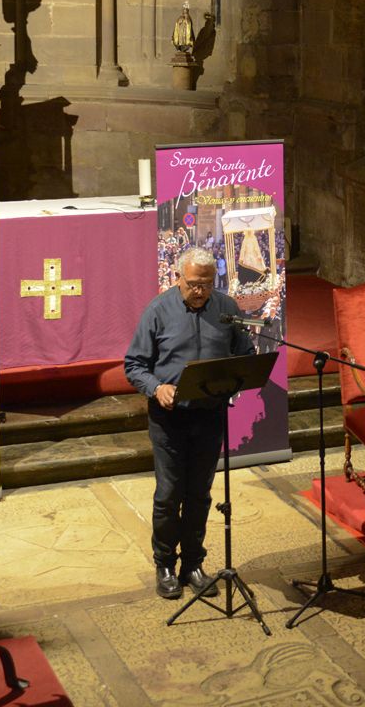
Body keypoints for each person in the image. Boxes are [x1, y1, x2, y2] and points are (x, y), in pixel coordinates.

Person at [124, 246, 253, 600]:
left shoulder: (226, 308)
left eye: (207, 284)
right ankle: (165, 564)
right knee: (169, 494)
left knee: (199, 493)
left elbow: (244, 353)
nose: (200, 291)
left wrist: (233, 380)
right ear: (179, 278)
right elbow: (134, 364)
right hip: (170, 418)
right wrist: (156, 387)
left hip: (210, 414)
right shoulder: (158, 310)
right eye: (194, 284)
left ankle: (193, 563)